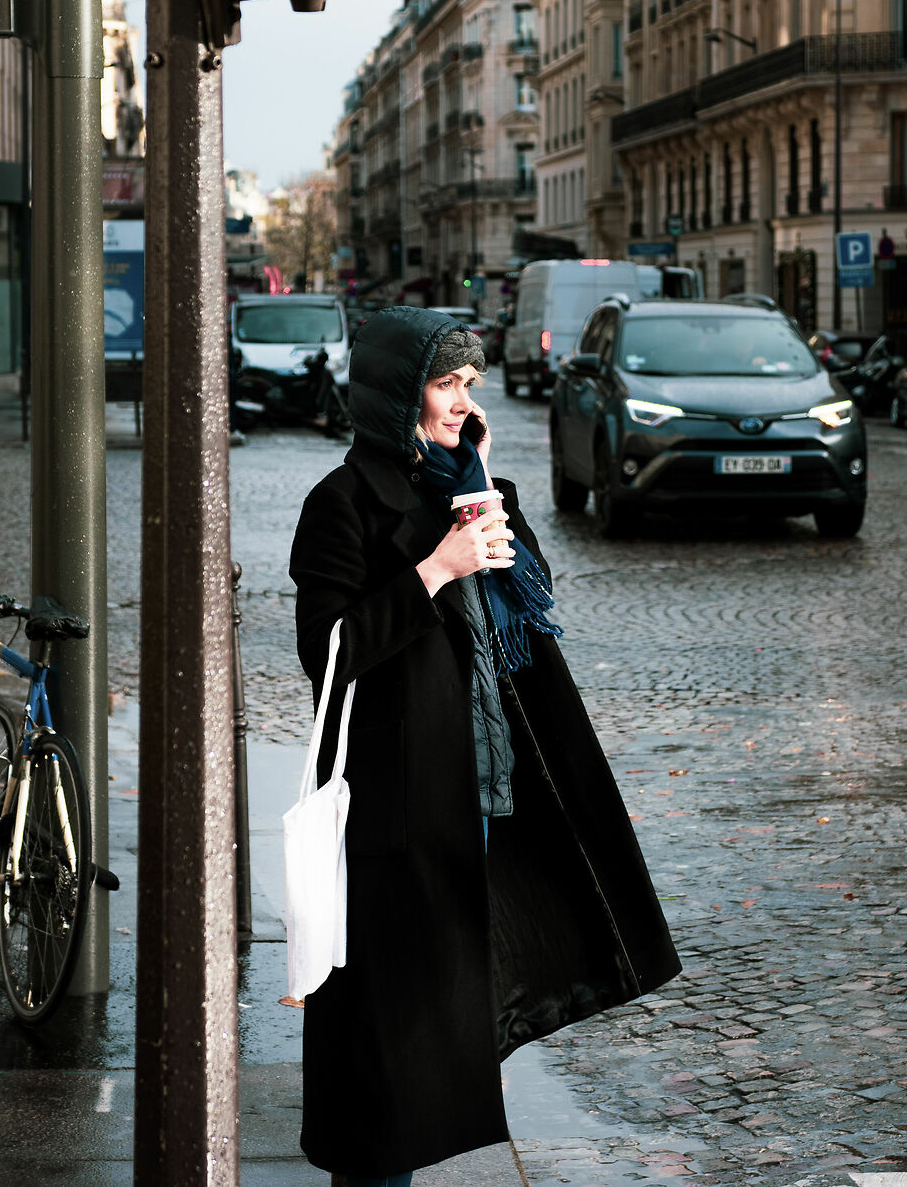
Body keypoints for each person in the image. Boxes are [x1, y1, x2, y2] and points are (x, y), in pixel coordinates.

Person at [288, 308, 678, 1184]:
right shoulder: (341, 504)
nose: (464, 401)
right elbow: (330, 654)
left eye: (470, 383)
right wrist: (433, 568)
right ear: (397, 395)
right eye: (445, 383)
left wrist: (488, 498)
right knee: (389, 1044)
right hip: (397, 804)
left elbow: (528, 605)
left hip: (487, 787)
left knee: (446, 1015)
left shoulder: (468, 486)